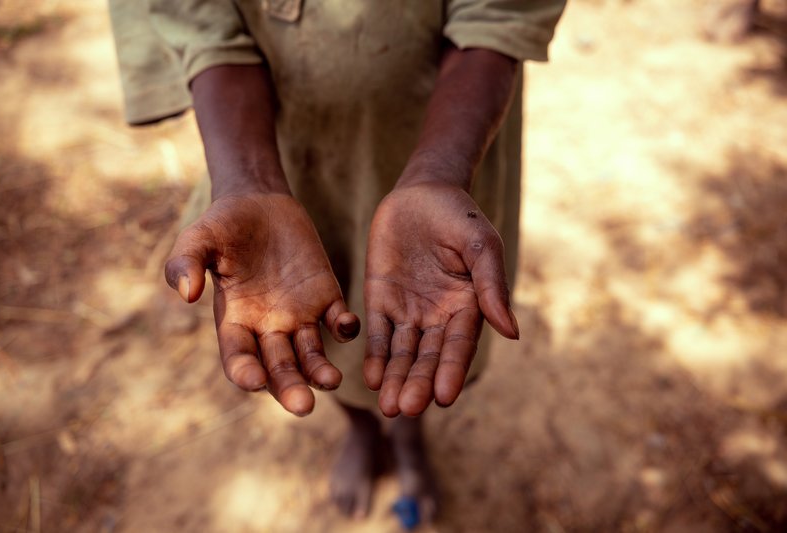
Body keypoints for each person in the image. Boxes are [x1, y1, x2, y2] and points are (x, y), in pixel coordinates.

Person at [109, 0, 565, 524]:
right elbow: (203, 24)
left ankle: (410, 434)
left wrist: (438, 172)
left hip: (450, 131)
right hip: (282, 148)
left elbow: (497, 16)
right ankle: (362, 430)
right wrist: (249, 182)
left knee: (425, 335)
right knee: (317, 317)